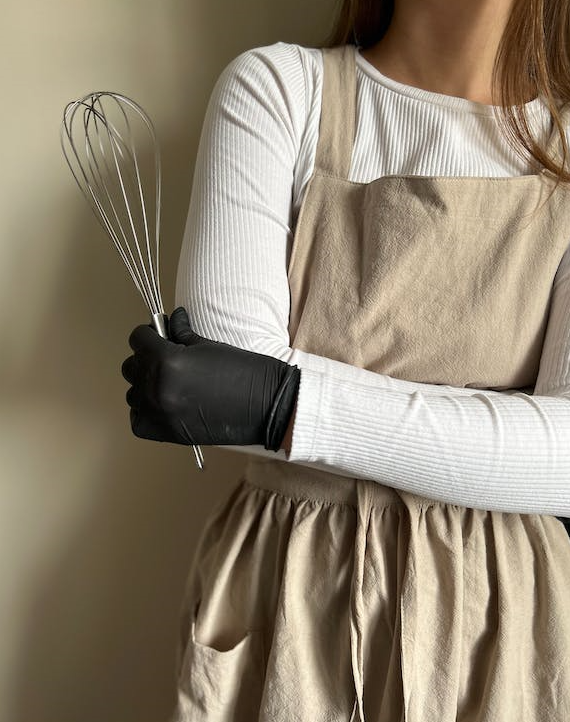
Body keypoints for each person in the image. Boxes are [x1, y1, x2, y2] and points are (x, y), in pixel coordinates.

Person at [121, 0, 570, 719]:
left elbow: (566, 459)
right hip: (291, 594)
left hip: (501, 620)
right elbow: (220, 381)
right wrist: (500, 436)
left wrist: (286, 405)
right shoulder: (278, 93)